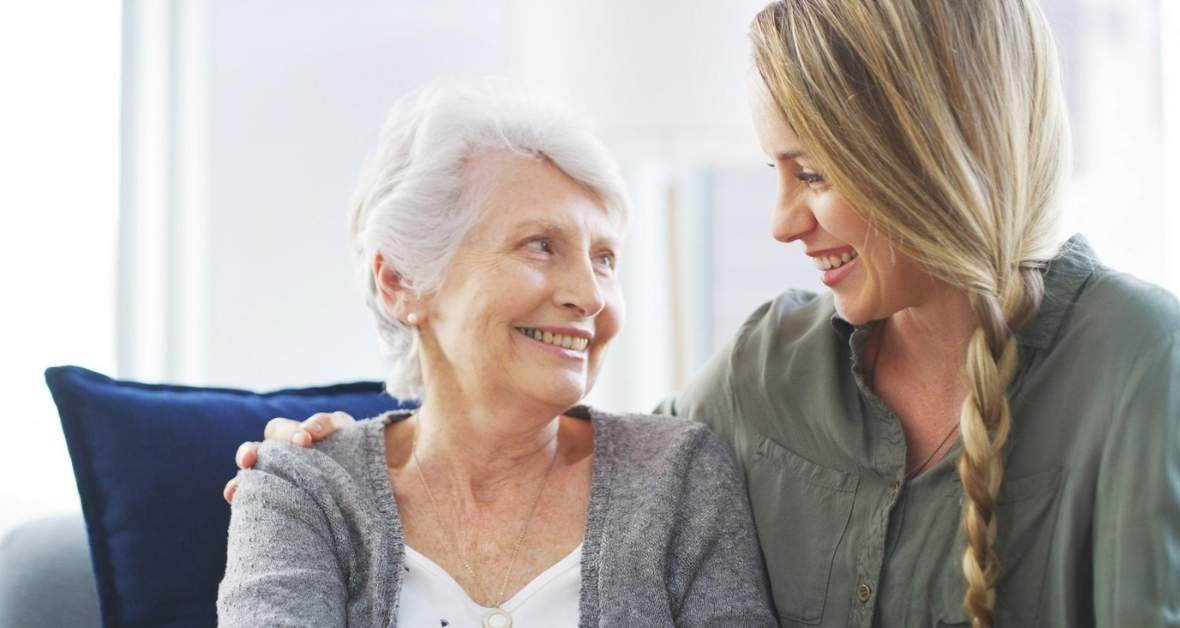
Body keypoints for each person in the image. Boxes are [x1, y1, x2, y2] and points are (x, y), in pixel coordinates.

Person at [231, 1, 1180, 626]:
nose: (782, 221)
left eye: (812, 173)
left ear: (923, 152)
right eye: (774, 172)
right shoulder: (767, 368)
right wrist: (341, 447)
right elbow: (552, 451)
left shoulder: (1134, 360)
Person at [216, 79, 777, 627]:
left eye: (604, 257)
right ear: (403, 281)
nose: (587, 295)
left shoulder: (678, 476)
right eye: (541, 245)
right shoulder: (303, 487)